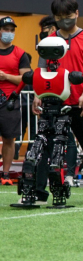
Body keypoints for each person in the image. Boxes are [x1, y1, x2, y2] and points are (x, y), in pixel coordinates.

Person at [33, 0, 83, 205]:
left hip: (80, 103)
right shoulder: (47, 42)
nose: (64, 20)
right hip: (53, 102)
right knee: (44, 147)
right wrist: (37, 96)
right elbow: (42, 70)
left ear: (76, 14)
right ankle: (39, 193)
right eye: (59, 17)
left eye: (67, 16)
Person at [37, 15, 78, 184]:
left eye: (46, 30)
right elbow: (39, 71)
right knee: (44, 137)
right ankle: (40, 181)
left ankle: (68, 174)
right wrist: (36, 96)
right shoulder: (44, 49)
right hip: (48, 97)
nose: (44, 35)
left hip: (68, 97)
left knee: (66, 137)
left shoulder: (64, 46)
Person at [0, 17, 31, 185]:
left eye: (12, 30)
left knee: (9, 138)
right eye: (6, 29)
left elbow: (26, 78)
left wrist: (6, 76)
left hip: (10, 101)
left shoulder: (20, 53)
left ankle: (5, 174)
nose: (9, 33)